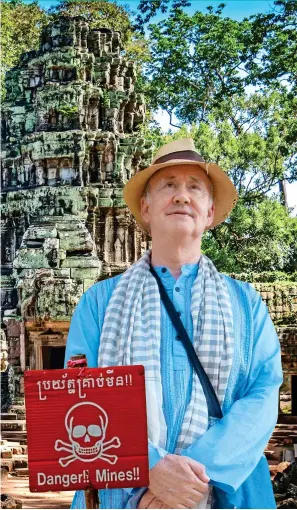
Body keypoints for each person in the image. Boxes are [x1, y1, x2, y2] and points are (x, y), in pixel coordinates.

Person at [65, 138, 283, 509]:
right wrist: (150, 470)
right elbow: (79, 400)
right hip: (123, 491)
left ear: (210, 211)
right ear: (146, 208)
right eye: (168, 185)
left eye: (194, 187)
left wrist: (191, 479)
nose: (181, 196)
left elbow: (262, 397)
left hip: (229, 490)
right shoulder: (99, 304)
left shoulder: (246, 305)